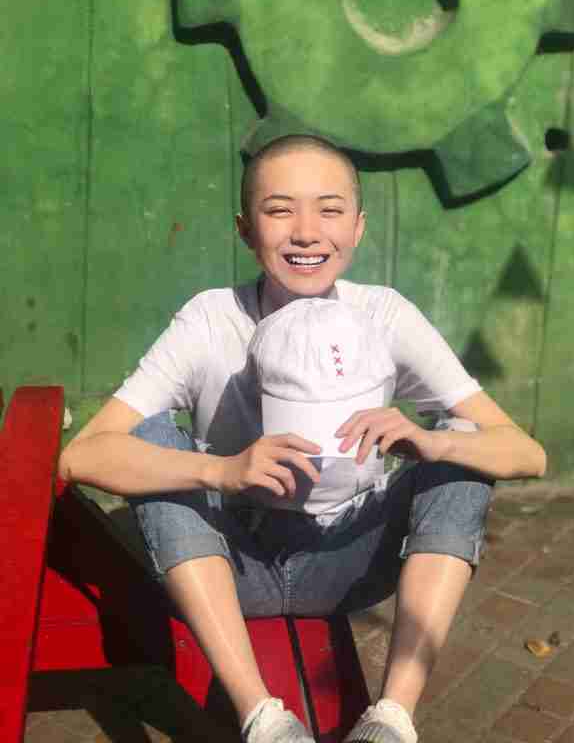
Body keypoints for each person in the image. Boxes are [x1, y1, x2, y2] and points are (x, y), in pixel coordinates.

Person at [59, 135, 546, 743]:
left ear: (358, 226)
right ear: (245, 228)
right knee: (153, 441)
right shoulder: (211, 320)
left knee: (464, 444)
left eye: (329, 209)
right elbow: (82, 455)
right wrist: (222, 471)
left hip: (352, 560)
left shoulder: (384, 315)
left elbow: (526, 453)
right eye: (280, 210)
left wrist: (431, 444)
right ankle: (262, 720)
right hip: (233, 565)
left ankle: (392, 720)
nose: (307, 232)